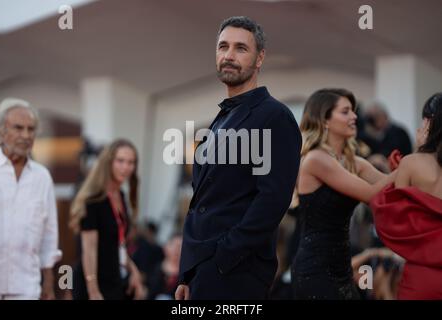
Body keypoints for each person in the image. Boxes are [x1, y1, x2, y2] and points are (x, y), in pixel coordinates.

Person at [175, 16, 301, 300]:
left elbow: (272, 200)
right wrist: (189, 272)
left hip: (236, 271)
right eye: (223, 47)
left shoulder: (275, 116)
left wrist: (223, 258)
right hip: (202, 270)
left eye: (240, 48)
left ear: (260, 58)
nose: (228, 55)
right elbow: (201, 204)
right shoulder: (219, 120)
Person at [290, 88, 396, 300]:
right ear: (325, 120)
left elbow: (388, 189)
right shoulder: (316, 160)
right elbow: (371, 195)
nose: (355, 116)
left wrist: (406, 172)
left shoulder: (352, 162)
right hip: (315, 269)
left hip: (342, 266)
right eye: (346, 111)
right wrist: (411, 165)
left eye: (353, 111)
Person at [370, 92, 442, 299]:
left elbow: (395, 217)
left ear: (429, 123)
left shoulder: (412, 163)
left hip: (421, 275)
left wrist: (418, 150)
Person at [0, 98, 61, 300]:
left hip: (26, 286)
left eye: (31, 130)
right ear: (1, 130)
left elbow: (50, 234)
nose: (26, 135)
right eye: (18, 128)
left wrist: (48, 283)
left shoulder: (42, 177)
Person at [70, 139, 146, 300]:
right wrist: (93, 290)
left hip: (114, 278)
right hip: (92, 281)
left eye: (131, 162)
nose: (126, 167)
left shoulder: (121, 196)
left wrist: (134, 271)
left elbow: (118, 245)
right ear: (108, 162)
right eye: (120, 161)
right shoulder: (94, 200)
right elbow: (89, 249)